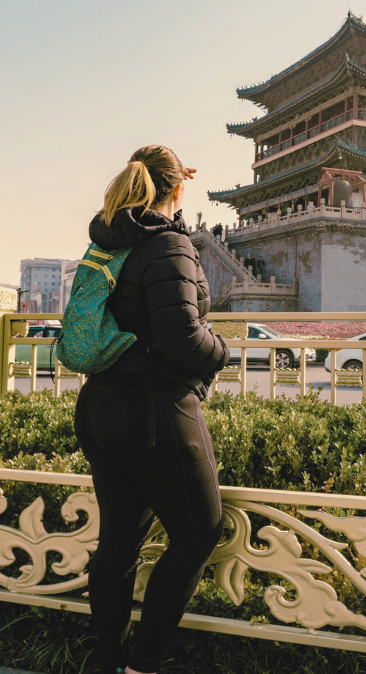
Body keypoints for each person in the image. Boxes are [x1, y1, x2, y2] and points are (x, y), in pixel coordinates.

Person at [74, 145, 229, 674]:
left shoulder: (111, 242)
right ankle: (145, 663)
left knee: (118, 540)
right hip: (154, 407)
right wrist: (222, 352)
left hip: (99, 405)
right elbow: (182, 337)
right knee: (197, 533)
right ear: (176, 188)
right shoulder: (168, 245)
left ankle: (107, 662)